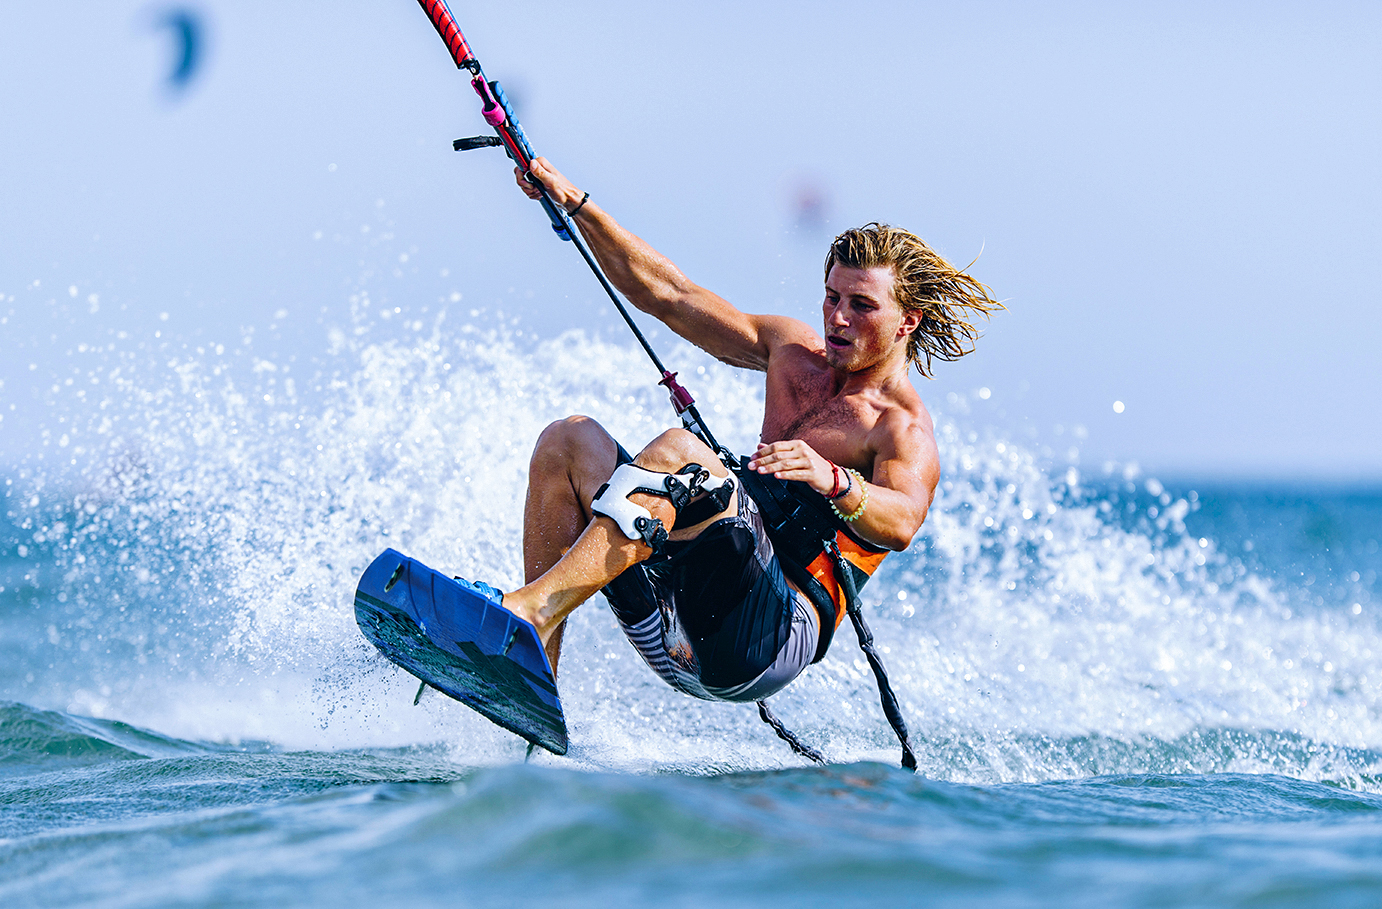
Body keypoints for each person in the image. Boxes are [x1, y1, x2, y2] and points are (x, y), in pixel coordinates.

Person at [467, 156, 1001, 705]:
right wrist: (575, 204)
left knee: (683, 454)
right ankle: (530, 679)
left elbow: (904, 522)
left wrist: (833, 479)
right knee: (568, 441)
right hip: (676, 618)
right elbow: (671, 295)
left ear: (906, 322)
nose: (837, 318)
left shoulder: (899, 427)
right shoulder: (791, 354)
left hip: (760, 645)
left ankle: (530, 608)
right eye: (832, 297)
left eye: (862, 305)